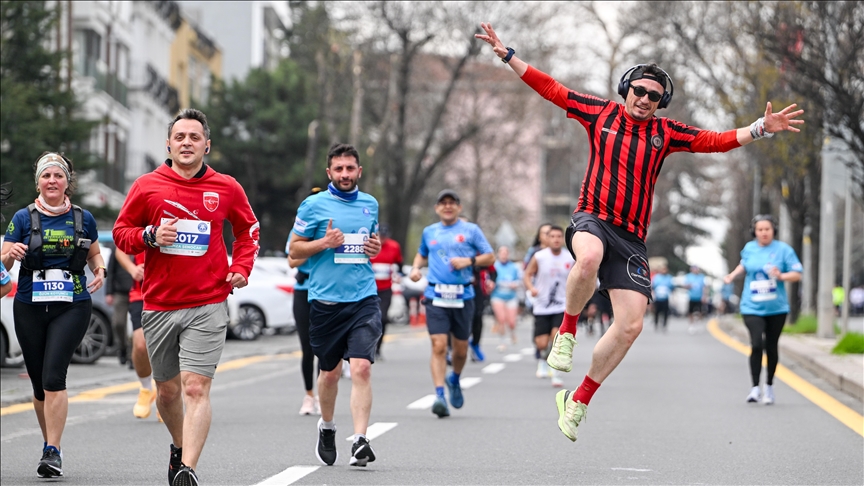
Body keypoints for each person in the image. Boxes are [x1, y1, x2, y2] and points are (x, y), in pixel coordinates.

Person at [476, 22, 804, 441]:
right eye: (639, 90)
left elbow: (716, 140)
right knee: (588, 259)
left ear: (660, 102)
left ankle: (577, 400)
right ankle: (567, 332)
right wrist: (507, 55)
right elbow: (551, 88)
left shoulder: (665, 134)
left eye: (654, 96)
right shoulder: (600, 113)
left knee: (631, 325)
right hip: (591, 217)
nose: (645, 99)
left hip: (631, 239)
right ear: (625, 89)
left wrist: (759, 127)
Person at [113, 109, 259, 486]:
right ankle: (179, 447)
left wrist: (241, 267)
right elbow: (121, 232)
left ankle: (188, 469)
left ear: (206, 145)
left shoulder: (227, 187)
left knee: (195, 387)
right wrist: (149, 236)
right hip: (160, 303)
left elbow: (248, 230)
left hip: (209, 301)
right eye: (180, 137)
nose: (187, 143)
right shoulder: (147, 186)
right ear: (169, 143)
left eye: (195, 137)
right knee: (167, 391)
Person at [1, 152, 107, 478]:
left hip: (72, 304)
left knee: (53, 377)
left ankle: (53, 450)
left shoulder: (82, 218)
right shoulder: (22, 218)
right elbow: (3, 266)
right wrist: (11, 253)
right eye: (46, 176)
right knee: (37, 385)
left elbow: (93, 252)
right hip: (29, 305)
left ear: (66, 183)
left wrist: (99, 268)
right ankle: (50, 443)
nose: (52, 181)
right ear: (39, 182)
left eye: (57, 176)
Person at [288, 143, 383, 468]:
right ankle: (327, 427)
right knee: (330, 374)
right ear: (329, 173)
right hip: (326, 301)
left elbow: (370, 244)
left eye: (350, 168)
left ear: (359, 170)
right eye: (339, 169)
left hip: (364, 298)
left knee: (361, 367)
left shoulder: (370, 204)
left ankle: (360, 439)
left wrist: (375, 247)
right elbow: (293, 253)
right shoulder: (313, 206)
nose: (345, 174)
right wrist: (323, 243)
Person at [409, 189, 494, 418]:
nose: (447, 206)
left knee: (460, 350)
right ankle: (439, 395)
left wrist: (469, 260)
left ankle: (454, 378)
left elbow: (490, 256)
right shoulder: (429, 232)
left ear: (459, 207)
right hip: (436, 295)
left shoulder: (471, 230)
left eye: (452, 203)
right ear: (437, 208)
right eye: (443, 203)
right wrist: (416, 268)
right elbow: (421, 254)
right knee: (438, 345)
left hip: (463, 296)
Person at [724, 214, 802, 405]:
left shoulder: (784, 250)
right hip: (751, 306)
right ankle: (754, 388)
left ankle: (769, 386)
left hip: (777, 308)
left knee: (771, 346)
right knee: (757, 344)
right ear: (754, 232)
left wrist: (781, 275)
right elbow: (744, 265)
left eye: (767, 229)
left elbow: (797, 274)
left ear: (773, 230)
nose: (764, 233)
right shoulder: (749, 248)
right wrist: (732, 276)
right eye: (760, 230)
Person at [287, 186, 324, 416]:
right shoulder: (298, 231)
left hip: (325, 292)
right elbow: (292, 260)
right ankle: (309, 394)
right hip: (303, 292)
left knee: (325, 348)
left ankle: (322, 394)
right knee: (307, 348)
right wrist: (314, 246)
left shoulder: (329, 229)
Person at [523, 225, 573, 387]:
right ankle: (543, 360)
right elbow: (527, 274)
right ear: (547, 239)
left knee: (556, 338)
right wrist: (531, 288)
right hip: (542, 305)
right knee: (542, 343)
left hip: (561, 305)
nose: (556, 239)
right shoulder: (539, 256)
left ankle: (556, 374)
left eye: (559, 236)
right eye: (553, 236)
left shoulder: (569, 258)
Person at [113, 248, 159, 419]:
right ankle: (146, 388)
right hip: (141, 293)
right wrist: (132, 269)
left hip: (171, 290)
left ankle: (167, 394)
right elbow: (120, 249)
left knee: (170, 346)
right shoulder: (141, 221)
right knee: (140, 345)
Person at [369, 224, 404, 359]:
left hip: (385, 289)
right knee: (369, 319)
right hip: (369, 288)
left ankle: (378, 347)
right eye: (380, 236)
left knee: (382, 318)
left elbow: (399, 263)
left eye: (385, 237)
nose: (382, 240)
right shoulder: (370, 244)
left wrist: (400, 274)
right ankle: (368, 347)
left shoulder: (394, 246)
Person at [105, 245, 134, 365]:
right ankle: (122, 347)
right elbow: (110, 271)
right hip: (120, 292)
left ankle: (133, 355)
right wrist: (109, 293)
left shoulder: (143, 244)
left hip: (138, 292)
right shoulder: (117, 247)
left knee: (137, 327)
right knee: (119, 323)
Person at [490, 246, 521, 345]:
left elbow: (519, 280)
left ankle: (512, 332)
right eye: (501, 253)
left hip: (511, 296)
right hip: (497, 296)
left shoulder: (513, 267)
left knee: (511, 321)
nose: (503, 255)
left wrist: (515, 284)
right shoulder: (494, 266)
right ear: (498, 254)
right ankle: (502, 341)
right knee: (501, 319)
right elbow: (490, 280)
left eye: (505, 253)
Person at [469, 257, 496, 362]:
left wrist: (491, 282)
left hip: (477, 291)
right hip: (458, 290)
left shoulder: (480, 253)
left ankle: (475, 345)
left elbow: (493, 271)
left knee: (477, 317)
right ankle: (450, 348)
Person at [651, 264, 674, 331]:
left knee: (665, 312)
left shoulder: (669, 278)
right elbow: (653, 286)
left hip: (666, 298)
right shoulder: (657, 277)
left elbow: (672, 287)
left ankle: (664, 325)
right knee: (656, 312)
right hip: (658, 298)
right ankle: (656, 324)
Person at [684, 265, 706, 332]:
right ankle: (691, 325)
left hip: (699, 297)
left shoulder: (701, 277)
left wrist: (704, 296)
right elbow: (685, 286)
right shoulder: (688, 276)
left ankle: (699, 323)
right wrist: (689, 286)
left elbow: (704, 287)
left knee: (700, 311)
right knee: (690, 312)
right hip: (691, 297)